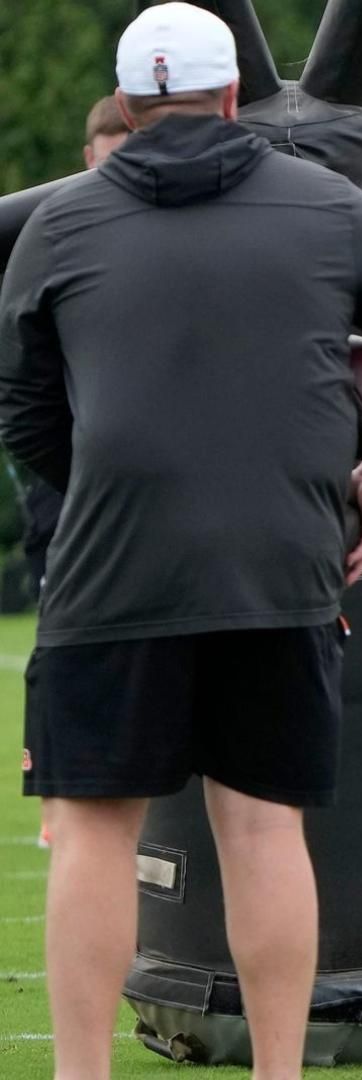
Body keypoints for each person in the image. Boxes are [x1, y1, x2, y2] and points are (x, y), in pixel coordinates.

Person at [0, 5, 362, 1077]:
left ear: (126, 108)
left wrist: (101, 491)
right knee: (264, 832)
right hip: (279, 564)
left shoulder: (58, 227)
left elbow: (25, 414)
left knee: (94, 837)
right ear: (234, 101)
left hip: (111, 571)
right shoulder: (322, 204)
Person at [21, 94, 134, 853]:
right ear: (87, 158)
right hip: (68, 475)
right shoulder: (54, 234)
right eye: (108, 159)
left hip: (159, 480)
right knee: (64, 639)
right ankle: (58, 799)